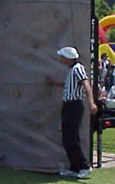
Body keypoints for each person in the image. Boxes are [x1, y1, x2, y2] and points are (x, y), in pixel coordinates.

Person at [46, 47, 97, 179]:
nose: (60, 58)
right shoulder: (71, 70)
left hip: (74, 105)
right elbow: (70, 85)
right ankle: (74, 167)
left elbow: (86, 84)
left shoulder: (78, 68)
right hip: (68, 104)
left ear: (68, 58)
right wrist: (55, 83)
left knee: (72, 137)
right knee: (67, 137)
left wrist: (91, 103)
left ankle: (84, 166)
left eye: (62, 56)